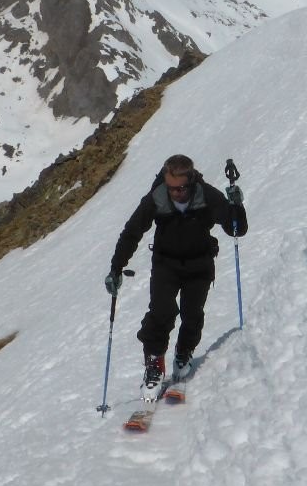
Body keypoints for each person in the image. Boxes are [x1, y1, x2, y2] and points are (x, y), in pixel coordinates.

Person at [105, 154, 248, 396]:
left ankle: (183, 354)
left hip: (200, 264)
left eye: (180, 189)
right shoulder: (157, 197)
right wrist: (116, 267)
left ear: (190, 180)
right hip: (165, 264)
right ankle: (154, 366)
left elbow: (236, 229)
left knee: (192, 314)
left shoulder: (207, 195)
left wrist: (237, 205)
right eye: (171, 188)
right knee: (160, 312)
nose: (175, 193)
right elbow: (132, 231)